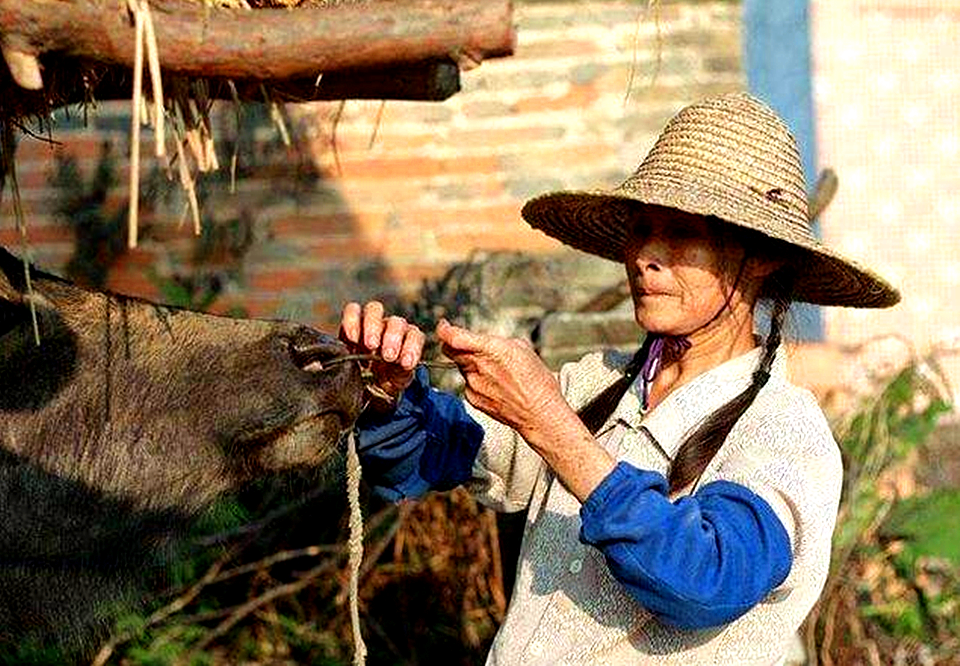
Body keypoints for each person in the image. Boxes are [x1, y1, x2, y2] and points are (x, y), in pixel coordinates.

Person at [339, 92, 900, 665]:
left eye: (681, 233)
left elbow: (705, 578)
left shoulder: (785, 434)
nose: (644, 256)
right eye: (641, 228)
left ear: (761, 257)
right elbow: (443, 452)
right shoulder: (596, 384)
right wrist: (391, 396)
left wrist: (552, 426)